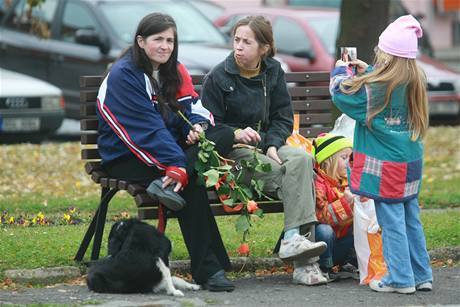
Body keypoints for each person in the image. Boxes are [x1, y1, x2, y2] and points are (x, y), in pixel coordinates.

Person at [96, 12, 235, 292]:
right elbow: (144, 131)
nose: (165, 46)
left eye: (170, 40)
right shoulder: (124, 75)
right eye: (158, 39)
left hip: (165, 150)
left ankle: (176, 181)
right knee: (189, 183)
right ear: (141, 41)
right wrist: (175, 164)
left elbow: (191, 109)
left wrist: (195, 128)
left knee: (223, 134)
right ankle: (209, 269)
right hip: (127, 156)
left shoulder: (171, 70)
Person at [201, 15, 328, 286]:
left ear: (264, 48)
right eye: (236, 40)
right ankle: (305, 264)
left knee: (303, 160)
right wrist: (235, 133)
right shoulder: (219, 76)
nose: (239, 47)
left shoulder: (273, 71)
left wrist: (272, 143)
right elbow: (208, 129)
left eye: (247, 42)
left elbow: (283, 116)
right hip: (234, 153)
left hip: (269, 145)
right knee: (295, 178)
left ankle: (293, 239)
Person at [329, 15, 433, 294]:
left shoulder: (375, 88)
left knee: (391, 222)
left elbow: (342, 96)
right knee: (411, 217)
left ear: (388, 56)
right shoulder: (414, 79)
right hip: (409, 163)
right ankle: (421, 274)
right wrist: (370, 70)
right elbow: (384, 83)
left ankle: (400, 279)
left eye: (381, 51)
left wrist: (340, 73)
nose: (377, 53)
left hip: (385, 167)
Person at [312, 133, 358, 281]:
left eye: (350, 158)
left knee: (363, 225)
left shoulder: (348, 182)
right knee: (324, 230)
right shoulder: (318, 183)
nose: (348, 162)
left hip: (340, 245)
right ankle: (323, 267)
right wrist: (345, 202)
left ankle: (349, 262)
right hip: (321, 246)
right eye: (343, 158)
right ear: (327, 161)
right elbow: (322, 217)